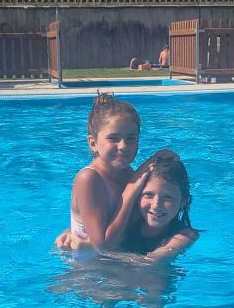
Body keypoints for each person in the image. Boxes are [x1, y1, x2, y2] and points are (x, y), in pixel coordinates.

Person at [55, 92, 173, 256]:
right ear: (93, 143)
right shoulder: (88, 179)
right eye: (113, 138)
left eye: (130, 138)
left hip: (122, 259)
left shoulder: (128, 172)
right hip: (92, 269)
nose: (123, 146)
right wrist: (130, 190)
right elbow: (103, 246)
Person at [121, 157, 198, 262]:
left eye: (167, 197)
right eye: (148, 195)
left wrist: (106, 253)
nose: (156, 205)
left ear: (182, 201)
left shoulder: (185, 235)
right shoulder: (129, 221)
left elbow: (148, 262)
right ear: (138, 197)